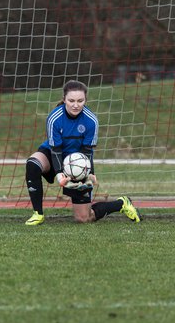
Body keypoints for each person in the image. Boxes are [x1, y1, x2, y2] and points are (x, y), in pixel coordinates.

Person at [25, 80, 141, 225]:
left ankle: (121, 203)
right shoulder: (54, 118)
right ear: (64, 99)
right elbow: (55, 149)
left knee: (84, 218)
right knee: (33, 164)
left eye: (80, 101)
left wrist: (89, 173)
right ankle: (38, 214)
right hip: (53, 153)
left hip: (78, 161)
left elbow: (87, 151)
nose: (76, 105)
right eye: (71, 100)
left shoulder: (91, 120)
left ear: (85, 100)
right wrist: (60, 173)